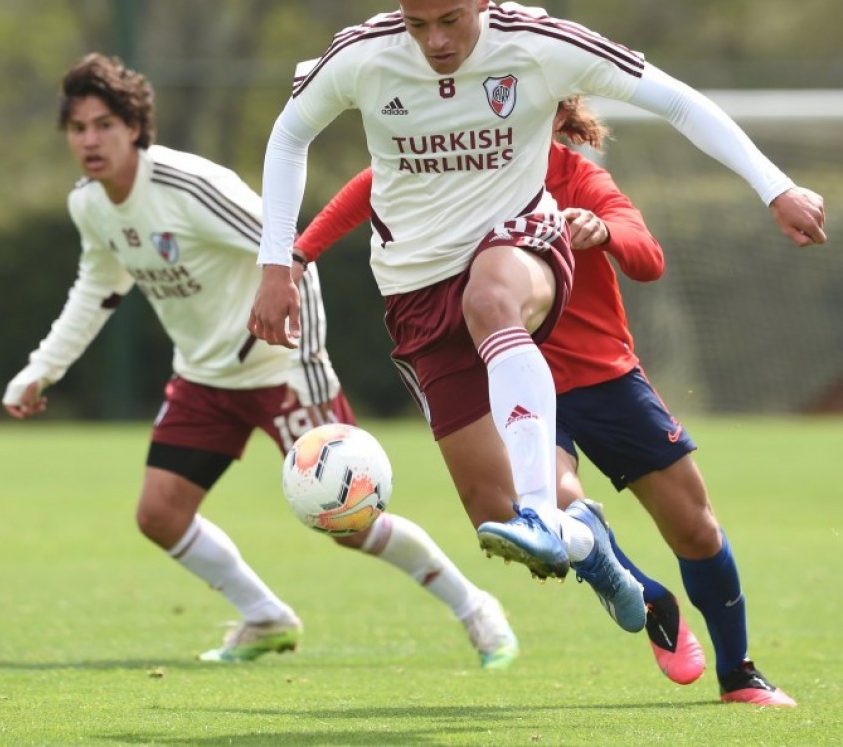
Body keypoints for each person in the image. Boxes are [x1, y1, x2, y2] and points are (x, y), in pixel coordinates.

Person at [249, 0, 825, 637]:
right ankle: (591, 553)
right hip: (415, 290)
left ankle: (543, 514)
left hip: (519, 244)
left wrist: (775, 187)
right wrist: (279, 262)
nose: (437, 42)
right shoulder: (365, 56)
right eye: (418, 23)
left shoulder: (538, 45)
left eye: (452, 19)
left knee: (492, 298)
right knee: (491, 516)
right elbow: (290, 133)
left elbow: (676, 99)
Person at [2, 52, 521, 670]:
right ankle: (265, 616)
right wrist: (42, 369)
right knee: (159, 514)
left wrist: (304, 357)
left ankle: (475, 608)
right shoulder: (89, 204)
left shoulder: (188, 187)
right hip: (203, 377)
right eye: (79, 128)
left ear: (135, 127)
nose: (90, 139)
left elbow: (293, 254)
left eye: (104, 125)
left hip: (281, 372)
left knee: (349, 523)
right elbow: (97, 286)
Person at [290, 96, 798, 706]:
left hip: (605, 377)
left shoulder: (579, 176)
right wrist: (296, 255)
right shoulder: (459, 169)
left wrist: (605, 231)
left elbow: (649, 258)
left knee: (694, 525)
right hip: (519, 388)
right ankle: (644, 595)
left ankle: (738, 670)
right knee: (553, 501)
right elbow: (372, 184)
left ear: (558, 119)